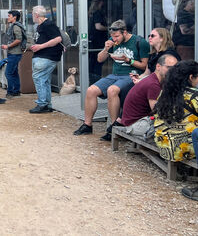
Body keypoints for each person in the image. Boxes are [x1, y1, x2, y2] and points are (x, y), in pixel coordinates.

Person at [74, 20, 150, 135]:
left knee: (112, 90)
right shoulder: (112, 41)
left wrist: (128, 60)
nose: (114, 39)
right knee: (91, 90)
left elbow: (144, 66)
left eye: (117, 36)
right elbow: (99, 59)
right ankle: (87, 125)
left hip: (131, 75)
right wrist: (106, 49)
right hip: (114, 75)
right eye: (112, 36)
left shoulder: (140, 42)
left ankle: (114, 128)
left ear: (124, 32)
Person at [99, 54, 177, 141]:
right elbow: (157, 111)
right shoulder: (153, 84)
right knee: (173, 128)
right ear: (158, 66)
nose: (173, 71)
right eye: (169, 68)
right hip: (136, 125)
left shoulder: (154, 79)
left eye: (176, 68)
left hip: (134, 121)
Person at [150, 60, 198, 200]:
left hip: (165, 144)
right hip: (183, 149)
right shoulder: (194, 96)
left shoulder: (165, 93)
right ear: (191, 77)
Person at [29, 5, 62, 113]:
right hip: (44, 56)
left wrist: (40, 46)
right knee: (44, 80)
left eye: (33, 14)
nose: (32, 16)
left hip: (47, 56)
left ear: (36, 15)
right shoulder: (42, 25)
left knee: (39, 79)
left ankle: (42, 104)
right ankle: (46, 104)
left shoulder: (48, 24)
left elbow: (58, 39)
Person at [1, 10, 24, 98]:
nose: (8, 17)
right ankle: (16, 91)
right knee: (14, 73)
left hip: (14, 53)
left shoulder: (16, 27)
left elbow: (19, 39)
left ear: (14, 17)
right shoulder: (15, 26)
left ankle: (10, 92)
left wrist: (8, 46)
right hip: (15, 53)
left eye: (9, 16)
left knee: (8, 73)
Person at [88, 0, 107, 83]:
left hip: (92, 41)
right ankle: (96, 81)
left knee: (92, 62)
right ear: (101, 3)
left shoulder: (91, 13)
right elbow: (98, 26)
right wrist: (108, 28)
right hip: (98, 42)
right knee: (97, 62)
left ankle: (92, 81)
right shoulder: (97, 13)